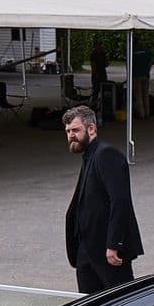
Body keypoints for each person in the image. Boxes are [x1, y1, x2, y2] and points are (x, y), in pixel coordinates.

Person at [62, 105, 143, 292]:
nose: (71, 135)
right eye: (68, 131)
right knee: (88, 303)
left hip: (107, 250)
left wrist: (114, 244)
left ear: (91, 129)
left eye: (76, 130)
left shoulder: (106, 154)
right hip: (87, 249)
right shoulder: (89, 156)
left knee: (120, 301)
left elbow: (120, 201)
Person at [131, 40, 153, 119]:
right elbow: (151, 61)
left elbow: (129, 64)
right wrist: (147, 70)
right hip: (146, 75)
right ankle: (147, 112)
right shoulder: (145, 50)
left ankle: (141, 114)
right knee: (145, 94)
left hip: (136, 75)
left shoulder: (131, 51)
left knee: (138, 95)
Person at [89, 41, 110, 115]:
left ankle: (103, 107)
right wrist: (96, 75)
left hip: (103, 74)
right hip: (96, 76)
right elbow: (93, 66)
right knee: (96, 92)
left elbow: (106, 64)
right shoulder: (93, 55)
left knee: (104, 91)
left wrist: (106, 60)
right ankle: (93, 107)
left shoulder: (103, 54)